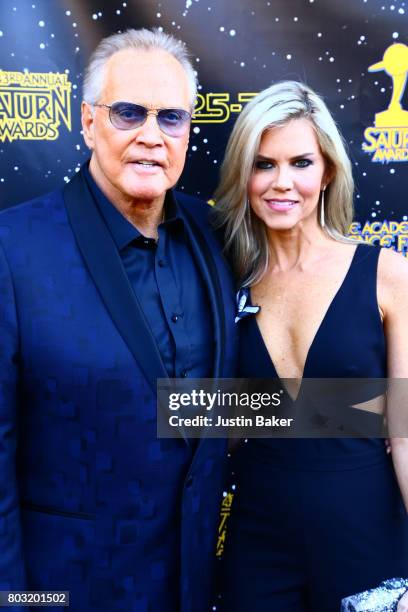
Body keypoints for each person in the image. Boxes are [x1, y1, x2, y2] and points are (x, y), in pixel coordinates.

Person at [0, 28, 236, 612]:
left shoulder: (219, 237)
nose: (151, 137)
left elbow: (210, 405)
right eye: (129, 113)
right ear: (86, 122)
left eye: (172, 118)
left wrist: (371, 410)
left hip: (196, 587)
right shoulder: (12, 249)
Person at [214, 80, 408, 611]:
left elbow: (407, 436)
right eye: (263, 164)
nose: (282, 183)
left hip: (368, 538)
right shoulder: (224, 280)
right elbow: (220, 429)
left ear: (327, 172)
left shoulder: (388, 276)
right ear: (243, 174)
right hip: (258, 541)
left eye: (300, 162)